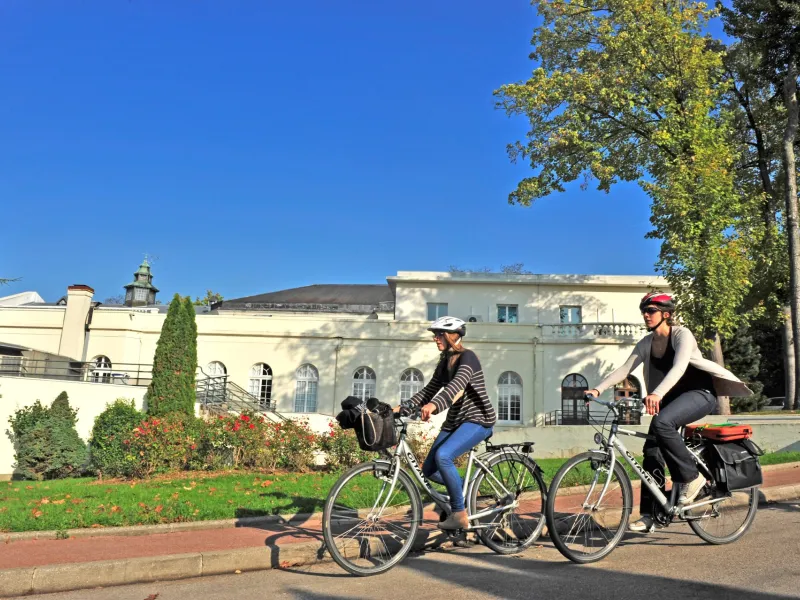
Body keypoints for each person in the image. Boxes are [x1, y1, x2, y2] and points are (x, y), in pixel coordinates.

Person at [586, 292, 752, 533]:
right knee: (652, 451)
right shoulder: (646, 343)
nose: (646, 315)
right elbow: (624, 369)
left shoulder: (682, 335)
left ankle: (691, 477)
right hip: (671, 399)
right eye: (644, 311)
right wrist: (598, 389)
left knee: (663, 423)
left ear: (666, 314)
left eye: (651, 311)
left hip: (700, 394)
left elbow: (679, 367)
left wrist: (657, 394)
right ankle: (651, 514)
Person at [397, 316, 496, 530]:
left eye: (439, 334)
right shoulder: (445, 362)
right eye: (435, 334)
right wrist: (402, 407)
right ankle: (467, 492)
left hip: (478, 420)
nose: (435, 338)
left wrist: (434, 406)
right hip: (456, 422)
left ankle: (459, 513)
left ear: (453, 335)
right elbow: (430, 389)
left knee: (444, 456)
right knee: (429, 468)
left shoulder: (467, 357)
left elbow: (456, 386)